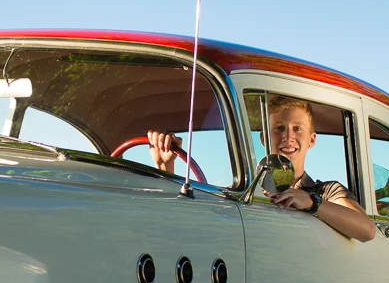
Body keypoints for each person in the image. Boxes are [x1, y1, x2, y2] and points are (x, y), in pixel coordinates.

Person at [146, 95, 377, 242]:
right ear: (264, 138)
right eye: (278, 128)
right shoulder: (246, 188)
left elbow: (366, 229)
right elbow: (190, 225)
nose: (288, 137)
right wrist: (166, 165)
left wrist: (311, 202)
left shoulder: (325, 191)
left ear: (312, 139)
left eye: (297, 129)